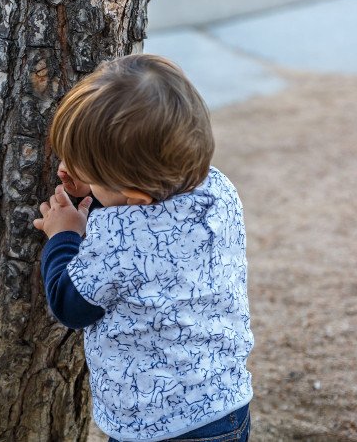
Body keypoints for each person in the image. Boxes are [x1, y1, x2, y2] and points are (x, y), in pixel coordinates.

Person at [33, 54, 254, 442]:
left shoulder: (115, 243)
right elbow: (152, 228)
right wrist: (98, 185)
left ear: (132, 194)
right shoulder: (219, 191)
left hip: (156, 424)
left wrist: (64, 236)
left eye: (94, 175)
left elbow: (71, 305)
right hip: (226, 404)